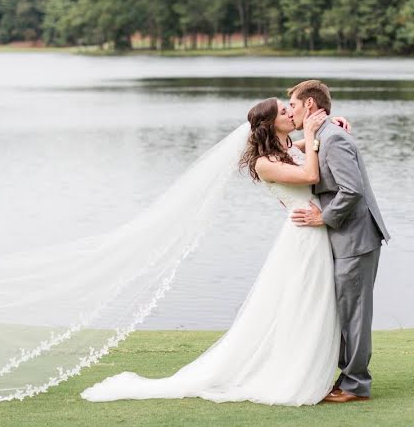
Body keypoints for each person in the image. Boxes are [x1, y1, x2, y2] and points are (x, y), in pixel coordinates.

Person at [81, 98, 349, 406]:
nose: (292, 113)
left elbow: (297, 150)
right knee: (305, 303)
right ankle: (293, 373)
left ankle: (308, 365)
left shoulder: (285, 148)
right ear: (270, 124)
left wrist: (329, 129)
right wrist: (314, 137)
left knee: (312, 302)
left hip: (313, 231)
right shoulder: (265, 163)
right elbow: (310, 177)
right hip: (304, 235)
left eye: (290, 108)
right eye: (284, 111)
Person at [287, 79, 391, 403]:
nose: (290, 111)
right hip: (342, 241)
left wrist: (324, 218)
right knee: (343, 311)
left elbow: (352, 189)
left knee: (355, 313)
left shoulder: (333, 138)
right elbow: (289, 150)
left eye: (292, 105)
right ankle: (345, 377)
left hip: (356, 239)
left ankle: (355, 385)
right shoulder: (322, 136)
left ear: (309, 105)